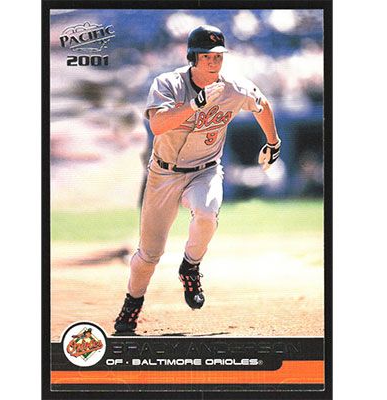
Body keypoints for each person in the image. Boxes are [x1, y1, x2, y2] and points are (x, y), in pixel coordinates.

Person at [113, 25, 281, 333]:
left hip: (205, 169)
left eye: (218, 56)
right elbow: (158, 125)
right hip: (164, 174)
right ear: (192, 57)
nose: (214, 61)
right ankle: (132, 304)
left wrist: (273, 142)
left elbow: (262, 104)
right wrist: (195, 104)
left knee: (206, 212)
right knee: (148, 255)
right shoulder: (168, 83)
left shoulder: (234, 87)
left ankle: (190, 266)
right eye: (206, 56)